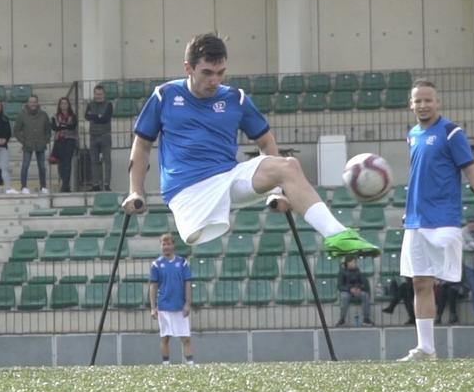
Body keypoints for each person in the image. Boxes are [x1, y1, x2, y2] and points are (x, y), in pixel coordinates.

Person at [124, 33, 378, 261]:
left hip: (228, 176)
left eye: (220, 72)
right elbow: (143, 144)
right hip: (187, 189)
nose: (215, 80)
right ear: (188, 68)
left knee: (288, 166)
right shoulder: (164, 95)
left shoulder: (236, 99)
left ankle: (337, 236)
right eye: (207, 73)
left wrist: (277, 190)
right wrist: (136, 192)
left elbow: (266, 141)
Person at [398, 79, 474, 362]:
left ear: (437, 102)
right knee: (419, 282)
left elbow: (471, 171)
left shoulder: (451, 132)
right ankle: (426, 349)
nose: (423, 105)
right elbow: (417, 174)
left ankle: (458, 281)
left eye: (428, 100)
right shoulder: (413, 135)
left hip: (442, 218)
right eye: (418, 100)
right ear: (411, 104)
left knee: (438, 277)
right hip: (416, 220)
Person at [149, 233, 194, 365]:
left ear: (173, 245)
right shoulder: (156, 265)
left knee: (185, 338)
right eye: (164, 244)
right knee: (165, 338)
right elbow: (153, 286)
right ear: (161, 246)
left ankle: (190, 366)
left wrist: (188, 303)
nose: (166, 247)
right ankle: (166, 366)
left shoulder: (182, 263)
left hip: (179, 306)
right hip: (164, 306)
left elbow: (187, 283)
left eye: (169, 244)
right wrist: (153, 307)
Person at [12, 94, 51, 195]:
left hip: (40, 144)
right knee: (25, 166)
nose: (32, 104)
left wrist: (45, 140)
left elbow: (48, 130)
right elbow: (16, 130)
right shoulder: (22, 115)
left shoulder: (44, 115)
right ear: (28, 103)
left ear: (37, 103)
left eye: (34, 102)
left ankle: (43, 186)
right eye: (31, 102)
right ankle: (23, 187)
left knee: (42, 166)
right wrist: (23, 141)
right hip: (28, 145)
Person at [84, 84, 113, 191]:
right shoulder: (90, 104)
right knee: (93, 161)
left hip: (105, 135)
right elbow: (86, 116)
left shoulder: (109, 104)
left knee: (107, 161)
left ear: (104, 94)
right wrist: (98, 116)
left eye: (100, 94)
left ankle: (106, 184)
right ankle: (95, 185)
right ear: (94, 94)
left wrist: (94, 116)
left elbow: (105, 118)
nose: (98, 96)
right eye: (96, 94)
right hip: (93, 136)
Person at [50, 97, 78, 193]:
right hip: (59, 141)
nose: (64, 105)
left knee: (67, 162)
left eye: (65, 103)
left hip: (70, 140)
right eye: (62, 103)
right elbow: (54, 127)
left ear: (68, 105)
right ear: (59, 105)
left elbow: (73, 126)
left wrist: (62, 126)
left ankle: (65, 185)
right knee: (61, 164)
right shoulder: (55, 116)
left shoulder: (73, 116)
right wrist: (64, 126)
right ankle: (65, 184)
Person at [337, 257, 373, 326]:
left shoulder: (357, 271)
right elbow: (340, 286)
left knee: (365, 295)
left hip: (357, 291)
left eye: (355, 262)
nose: (355, 264)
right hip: (347, 291)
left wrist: (359, 288)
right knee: (344, 296)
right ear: (348, 263)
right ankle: (342, 319)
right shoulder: (342, 272)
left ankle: (366, 319)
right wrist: (350, 289)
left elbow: (362, 282)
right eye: (353, 262)